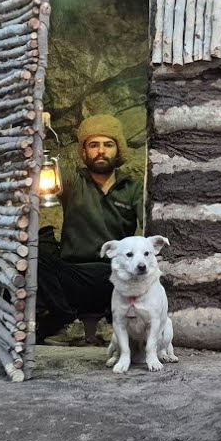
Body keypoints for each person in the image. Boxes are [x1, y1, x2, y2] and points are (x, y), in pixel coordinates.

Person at [36, 114, 144, 343]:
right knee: (38, 248)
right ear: (83, 152)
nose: (101, 151)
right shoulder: (73, 181)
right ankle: (67, 323)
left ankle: (115, 323)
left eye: (108, 144)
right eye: (93, 145)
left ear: (119, 149)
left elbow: (148, 229)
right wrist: (38, 129)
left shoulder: (132, 188)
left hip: (115, 276)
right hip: (73, 275)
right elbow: (33, 165)